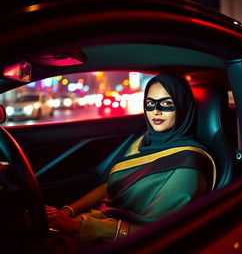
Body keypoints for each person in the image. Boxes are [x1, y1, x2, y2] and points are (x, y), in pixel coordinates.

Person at [45, 73, 216, 252]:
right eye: (150, 103)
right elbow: (113, 186)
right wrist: (68, 211)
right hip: (96, 220)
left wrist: (79, 227)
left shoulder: (191, 162)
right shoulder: (145, 141)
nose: (155, 111)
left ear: (182, 107)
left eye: (166, 104)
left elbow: (158, 232)